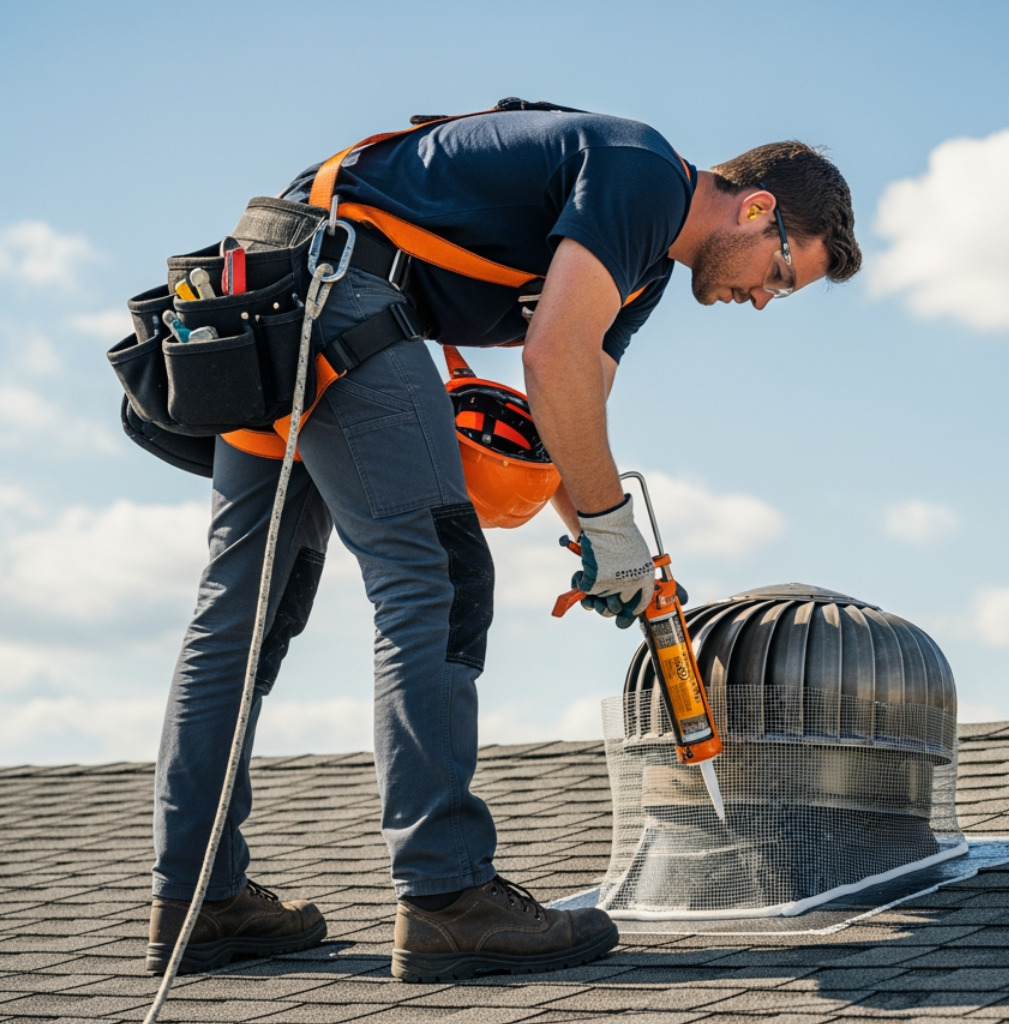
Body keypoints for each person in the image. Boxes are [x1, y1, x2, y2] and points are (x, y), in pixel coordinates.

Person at [145, 107, 861, 983]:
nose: (761, 299)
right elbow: (552, 357)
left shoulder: (639, 275)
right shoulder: (642, 173)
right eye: (781, 277)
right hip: (339, 287)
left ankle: (198, 902)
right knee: (436, 578)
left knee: (247, 610)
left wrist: (607, 547)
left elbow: (574, 405)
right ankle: (447, 898)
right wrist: (609, 529)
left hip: (265, 289)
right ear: (757, 211)